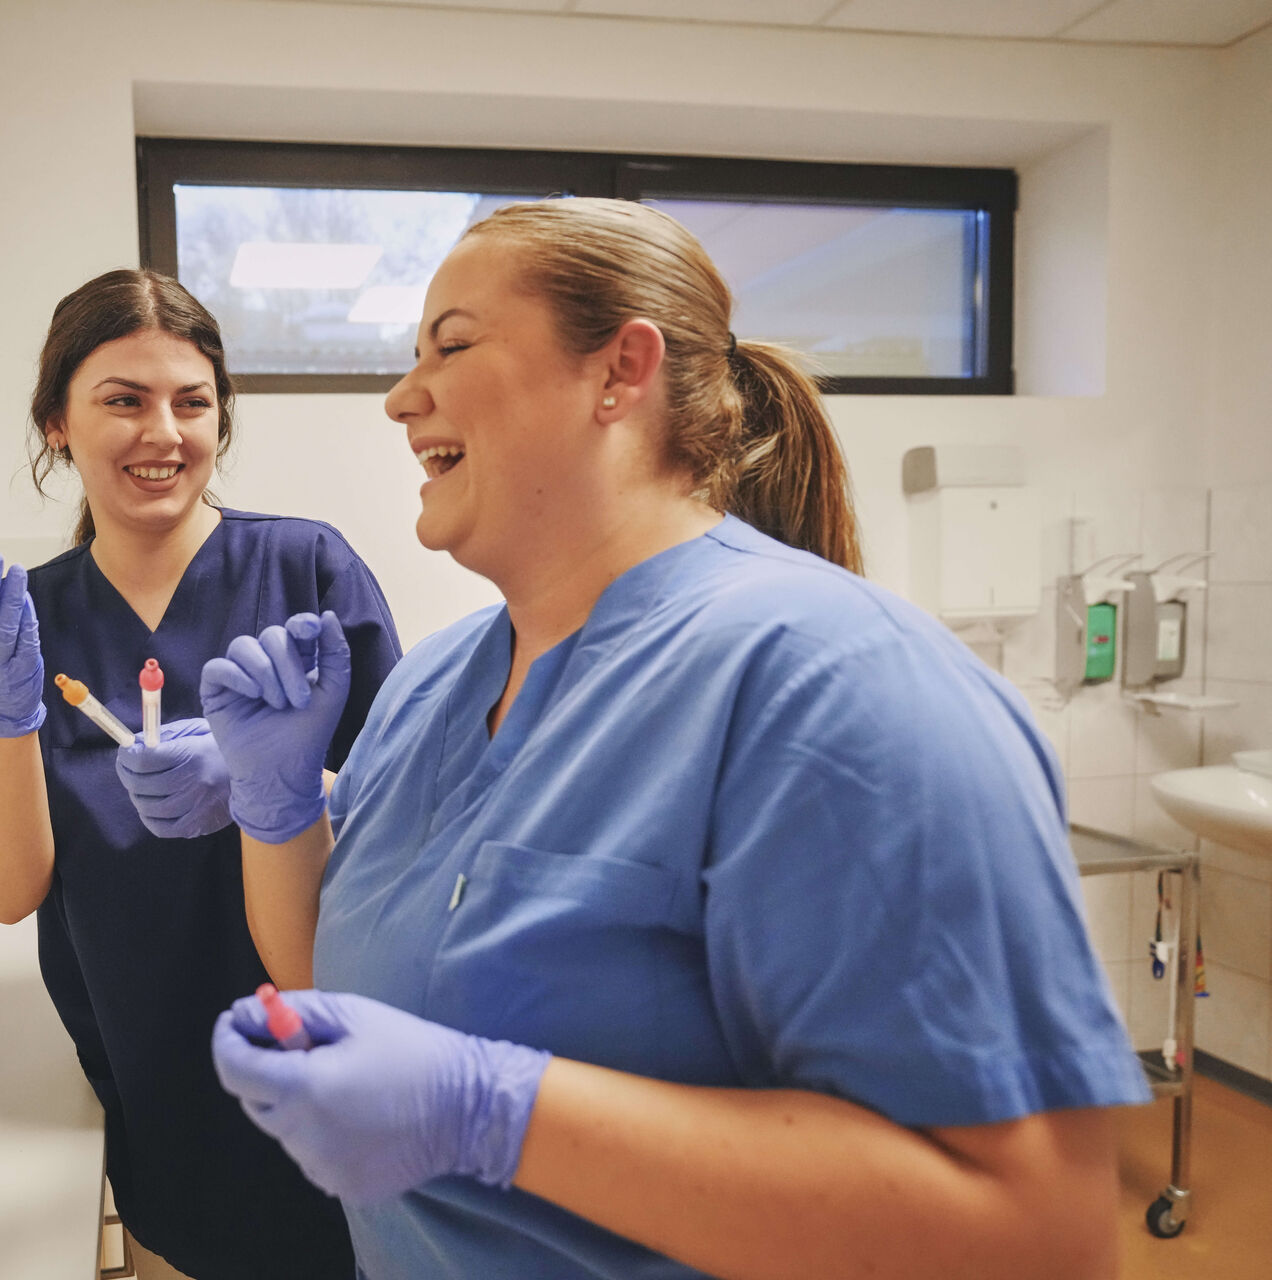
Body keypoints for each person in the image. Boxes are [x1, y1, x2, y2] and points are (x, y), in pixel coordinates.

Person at [200, 199, 1150, 1280]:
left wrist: (495, 1113)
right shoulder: (429, 687)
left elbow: (1038, 1235)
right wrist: (276, 805)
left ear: (621, 370)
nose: (401, 397)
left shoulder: (837, 686)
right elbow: (350, 988)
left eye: (451, 347)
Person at [0, 269, 400, 1280]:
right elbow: (7, 890)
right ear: (57, 423)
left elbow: (408, 809)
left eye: (192, 402)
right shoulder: (16, 624)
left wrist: (281, 785)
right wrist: (2, 717)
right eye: (124, 400)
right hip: (146, 1058)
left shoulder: (307, 571)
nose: (163, 433)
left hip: (323, 1036)